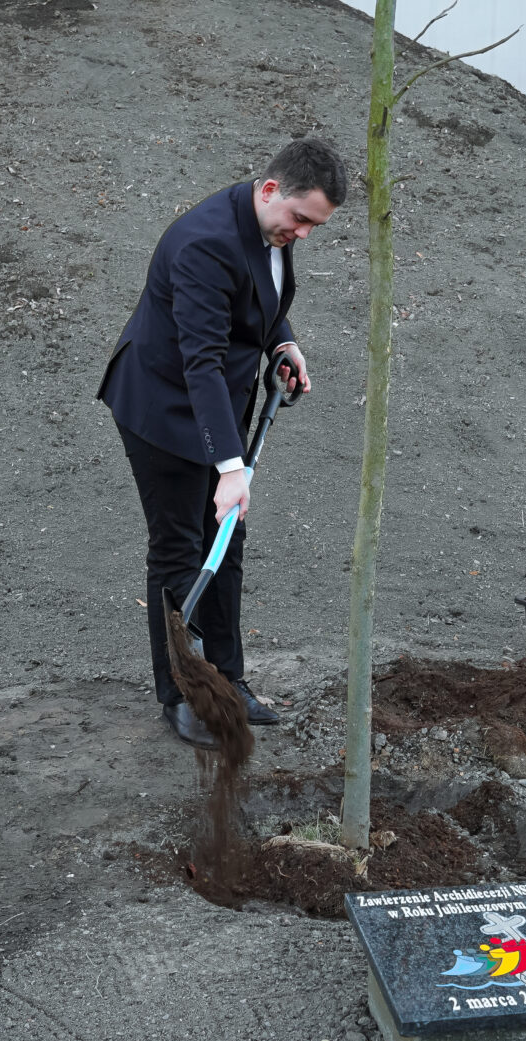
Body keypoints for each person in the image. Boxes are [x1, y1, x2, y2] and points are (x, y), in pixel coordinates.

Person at [97, 136, 347, 748]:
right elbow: (201, 362)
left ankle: (227, 679)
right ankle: (181, 695)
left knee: (226, 542)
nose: (303, 234)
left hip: (214, 406)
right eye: (301, 219)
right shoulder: (204, 243)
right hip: (162, 407)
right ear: (271, 190)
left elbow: (260, 297)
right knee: (179, 550)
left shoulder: (269, 225)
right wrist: (231, 467)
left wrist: (282, 341)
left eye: (314, 226)